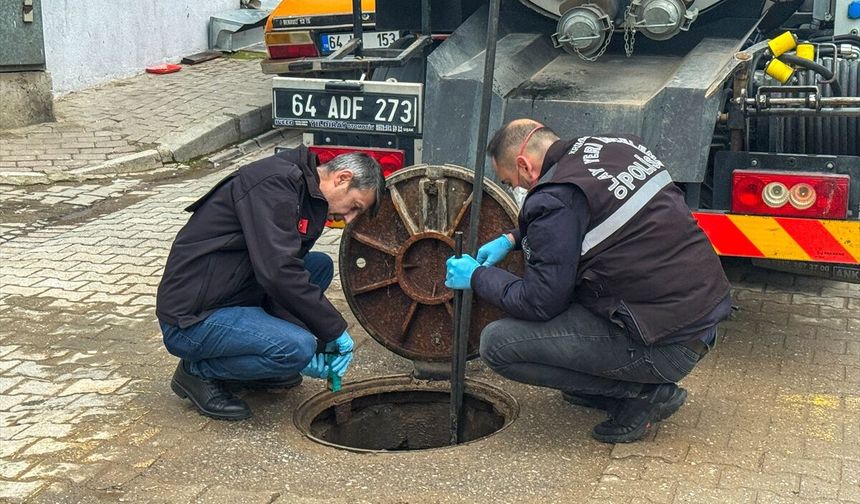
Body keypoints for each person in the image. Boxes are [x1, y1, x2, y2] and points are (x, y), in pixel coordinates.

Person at [445, 119, 732, 443]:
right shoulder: (620, 146)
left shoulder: (553, 196)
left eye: (513, 183)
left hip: (668, 347)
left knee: (497, 344)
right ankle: (617, 384)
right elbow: (591, 211)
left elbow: (539, 302)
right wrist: (513, 238)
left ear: (525, 166)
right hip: (700, 320)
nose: (519, 190)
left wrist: (478, 277)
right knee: (570, 292)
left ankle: (644, 392)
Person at [156, 147, 384, 421]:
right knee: (296, 347)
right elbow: (277, 272)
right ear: (342, 178)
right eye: (354, 206)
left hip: (233, 290)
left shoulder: (305, 193)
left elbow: (286, 269)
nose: (349, 219)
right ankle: (196, 372)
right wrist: (333, 331)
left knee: (319, 266)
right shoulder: (273, 183)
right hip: (193, 316)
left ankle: (267, 361)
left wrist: (318, 337)